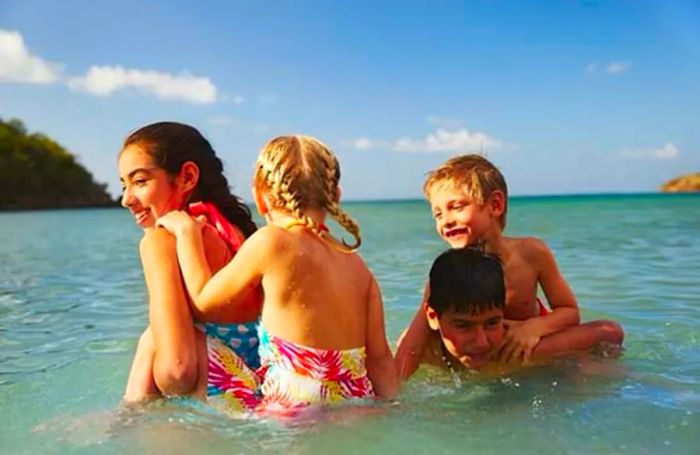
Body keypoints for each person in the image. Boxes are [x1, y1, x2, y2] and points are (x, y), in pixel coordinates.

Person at [157, 135, 399, 411]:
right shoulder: (357, 265)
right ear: (335, 197)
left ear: (261, 199)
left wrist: (187, 234)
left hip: (289, 411)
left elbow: (204, 301)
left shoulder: (271, 241)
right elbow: (380, 361)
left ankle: (132, 413)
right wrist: (392, 409)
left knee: (173, 335)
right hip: (356, 407)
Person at [396, 154, 623, 378]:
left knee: (609, 334)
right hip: (480, 354)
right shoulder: (450, 273)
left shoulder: (531, 253)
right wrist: (391, 394)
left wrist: (533, 329)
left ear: (495, 204)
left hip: (529, 343)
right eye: (438, 214)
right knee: (410, 341)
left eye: (456, 207)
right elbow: (414, 341)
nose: (445, 220)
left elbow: (570, 312)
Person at [119, 121, 261, 408]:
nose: (126, 200)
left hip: (217, 409)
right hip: (261, 393)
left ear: (187, 176)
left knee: (150, 339)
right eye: (124, 185)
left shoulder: (161, 242)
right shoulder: (237, 231)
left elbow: (177, 372)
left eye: (140, 181)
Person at [416, 247, 623, 375]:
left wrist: (534, 329)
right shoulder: (427, 354)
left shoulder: (513, 352)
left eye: (492, 323)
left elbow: (610, 332)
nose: (481, 342)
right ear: (433, 317)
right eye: (463, 326)